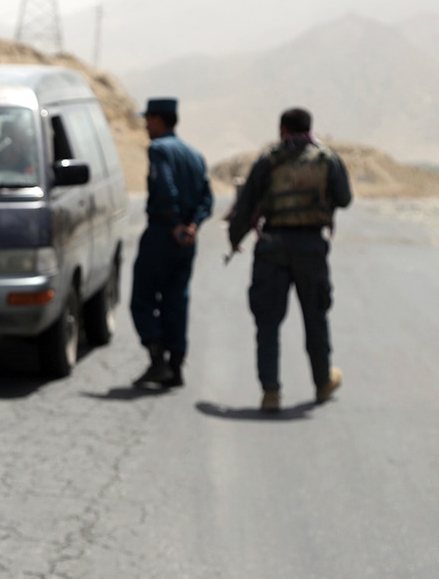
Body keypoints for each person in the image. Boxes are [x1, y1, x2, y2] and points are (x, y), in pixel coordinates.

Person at [227, 107, 353, 413]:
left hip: (272, 246)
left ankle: (270, 392)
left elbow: (246, 205)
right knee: (315, 316)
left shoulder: (268, 159)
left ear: (282, 128)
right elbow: (345, 198)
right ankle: (323, 382)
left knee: (267, 321)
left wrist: (234, 239)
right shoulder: (327, 159)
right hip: (311, 246)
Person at [130, 97, 214, 388]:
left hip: (163, 235)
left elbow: (166, 189)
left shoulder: (159, 150)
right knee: (176, 300)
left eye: (149, 120)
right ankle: (176, 366)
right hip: (186, 241)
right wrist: (192, 226)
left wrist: (175, 223)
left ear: (159, 120)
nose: (145, 126)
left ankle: (157, 361)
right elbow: (207, 198)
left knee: (142, 297)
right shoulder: (194, 155)